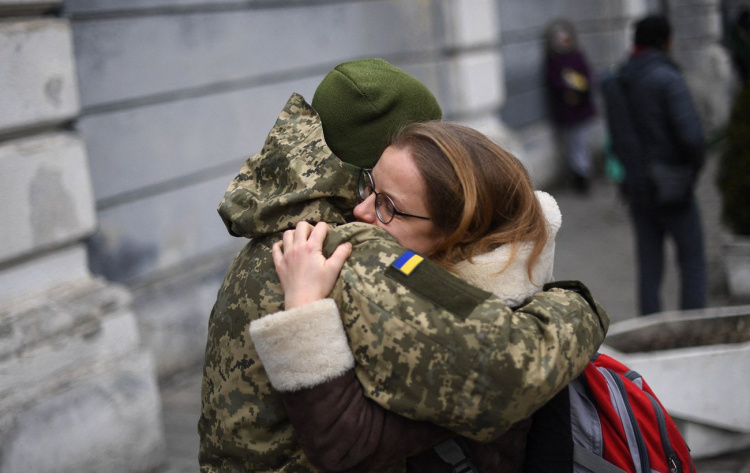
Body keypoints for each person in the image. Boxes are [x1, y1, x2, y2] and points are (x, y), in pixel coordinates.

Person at [199, 58, 609, 472]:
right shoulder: (350, 250)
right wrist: (578, 303)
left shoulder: (282, 220)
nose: (366, 208)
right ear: (374, 160)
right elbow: (512, 371)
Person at [257, 120, 567, 472]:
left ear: (461, 234)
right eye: (370, 187)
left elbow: (341, 445)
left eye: (388, 206)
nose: (360, 211)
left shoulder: (469, 334)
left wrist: (304, 307)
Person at [603, 15, 707, 315]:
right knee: (692, 261)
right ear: (666, 42)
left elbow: (617, 138)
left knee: (649, 264)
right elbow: (693, 139)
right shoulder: (667, 78)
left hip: (636, 186)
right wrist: (690, 173)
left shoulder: (617, 80)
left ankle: (651, 332)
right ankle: (693, 330)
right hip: (674, 186)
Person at [544, 18, 597, 194]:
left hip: (580, 108)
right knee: (572, 144)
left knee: (581, 142)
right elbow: (554, 82)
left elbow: (587, 78)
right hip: (567, 111)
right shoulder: (554, 61)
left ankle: (583, 174)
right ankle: (579, 174)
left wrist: (579, 91)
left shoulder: (577, 56)